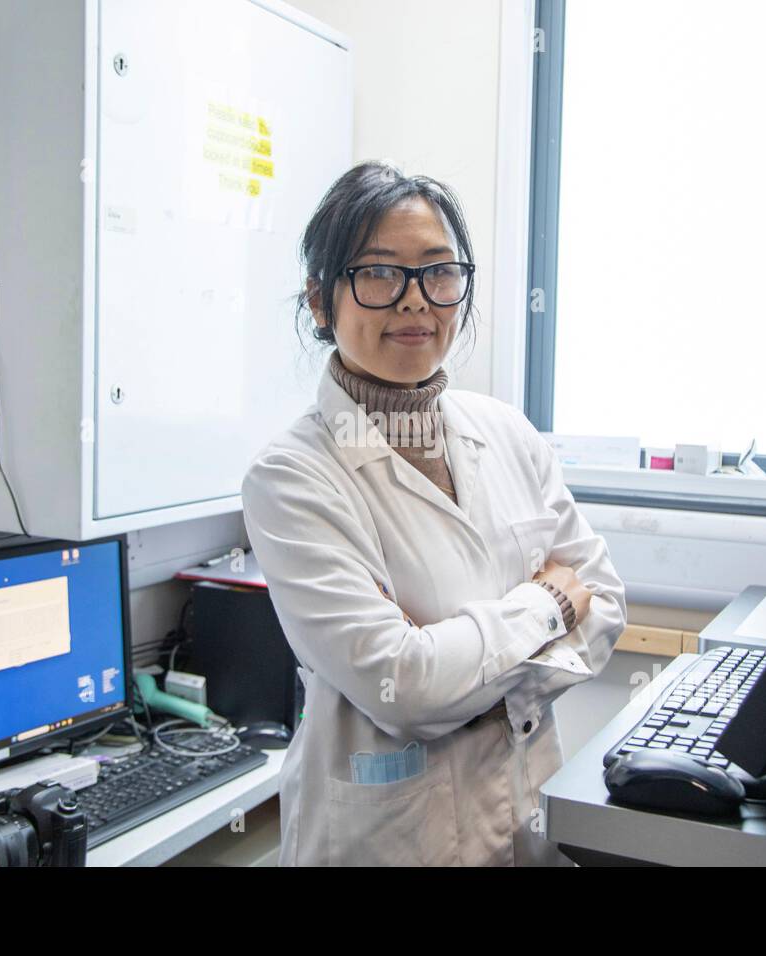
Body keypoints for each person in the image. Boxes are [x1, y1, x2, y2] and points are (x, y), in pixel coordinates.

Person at [241, 161, 626, 866]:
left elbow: (604, 603)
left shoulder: (508, 432)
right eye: (381, 273)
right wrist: (545, 604)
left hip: (525, 820)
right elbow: (409, 688)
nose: (416, 301)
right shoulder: (291, 478)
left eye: (439, 272)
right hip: (388, 842)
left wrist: (464, 668)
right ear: (321, 300)